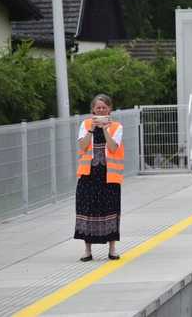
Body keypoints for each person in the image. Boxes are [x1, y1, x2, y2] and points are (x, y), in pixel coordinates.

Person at [74, 94, 124, 261]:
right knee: (86, 211)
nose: (101, 110)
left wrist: (104, 129)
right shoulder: (86, 124)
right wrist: (91, 129)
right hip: (88, 174)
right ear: (93, 109)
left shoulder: (117, 127)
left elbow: (113, 147)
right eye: (98, 107)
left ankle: (112, 249)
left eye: (104, 107)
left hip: (108, 176)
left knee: (110, 210)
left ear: (109, 109)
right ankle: (87, 251)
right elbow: (82, 145)